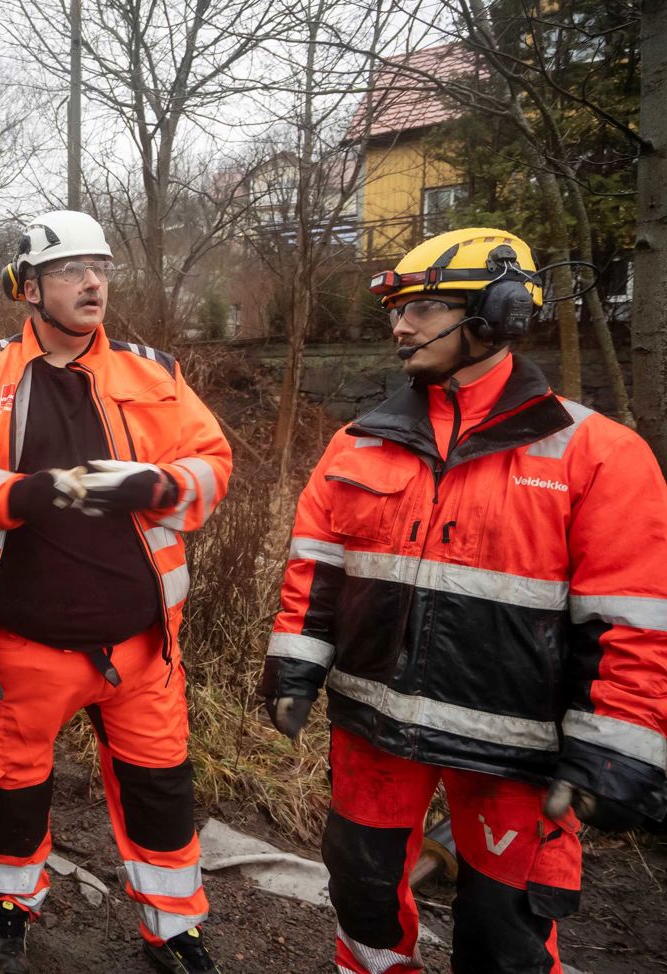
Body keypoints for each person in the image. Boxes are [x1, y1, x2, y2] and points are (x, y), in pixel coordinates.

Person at [260, 227, 667, 974]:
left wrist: (617, 745)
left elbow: (635, 621)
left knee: (503, 937)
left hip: (515, 757)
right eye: (398, 311)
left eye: (425, 308)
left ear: (500, 313)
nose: (400, 326)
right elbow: (316, 573)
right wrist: (293, 669)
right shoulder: (357, 443)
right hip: (372, 736)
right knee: (364, 902)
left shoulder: (597, 453)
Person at [0, 210, 234, 974]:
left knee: (161, 791)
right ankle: (12, 908)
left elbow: (213, 462)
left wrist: (160, 482)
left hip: (141, 644)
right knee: (11, 786)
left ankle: (174, 928)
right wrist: (24, 495)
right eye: (69, 271)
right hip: (22, 640)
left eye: (100, 268)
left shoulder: (152, 369)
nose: (92, 283)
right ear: (28, 289)